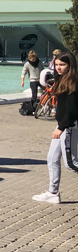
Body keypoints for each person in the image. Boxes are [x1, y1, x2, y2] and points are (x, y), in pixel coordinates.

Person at [34, 52, 78, 204]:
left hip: (68, 126)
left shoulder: (73, 82)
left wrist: (61, 127)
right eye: (57, 64)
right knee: (52, 158)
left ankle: (52, 192)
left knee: (71, 163)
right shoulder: (62, 80)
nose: (59, 68)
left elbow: (72, 110)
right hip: (62, 125)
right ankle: (53, 192)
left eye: (62, 65)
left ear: (70, 66)